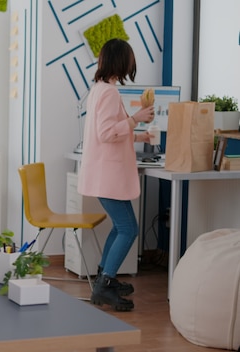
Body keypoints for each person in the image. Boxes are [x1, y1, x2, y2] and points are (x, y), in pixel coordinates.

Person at [77, 38, 155, 312]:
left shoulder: (100, 89)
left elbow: (109, 132)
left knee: (120, 227)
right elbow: (108, 133)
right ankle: (104, 283)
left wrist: (138, 133)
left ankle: (103, 277)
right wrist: (135, 119)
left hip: (102, 175)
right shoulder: (109, 93)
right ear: (122, 62)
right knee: (129, 228)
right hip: (107, 176)